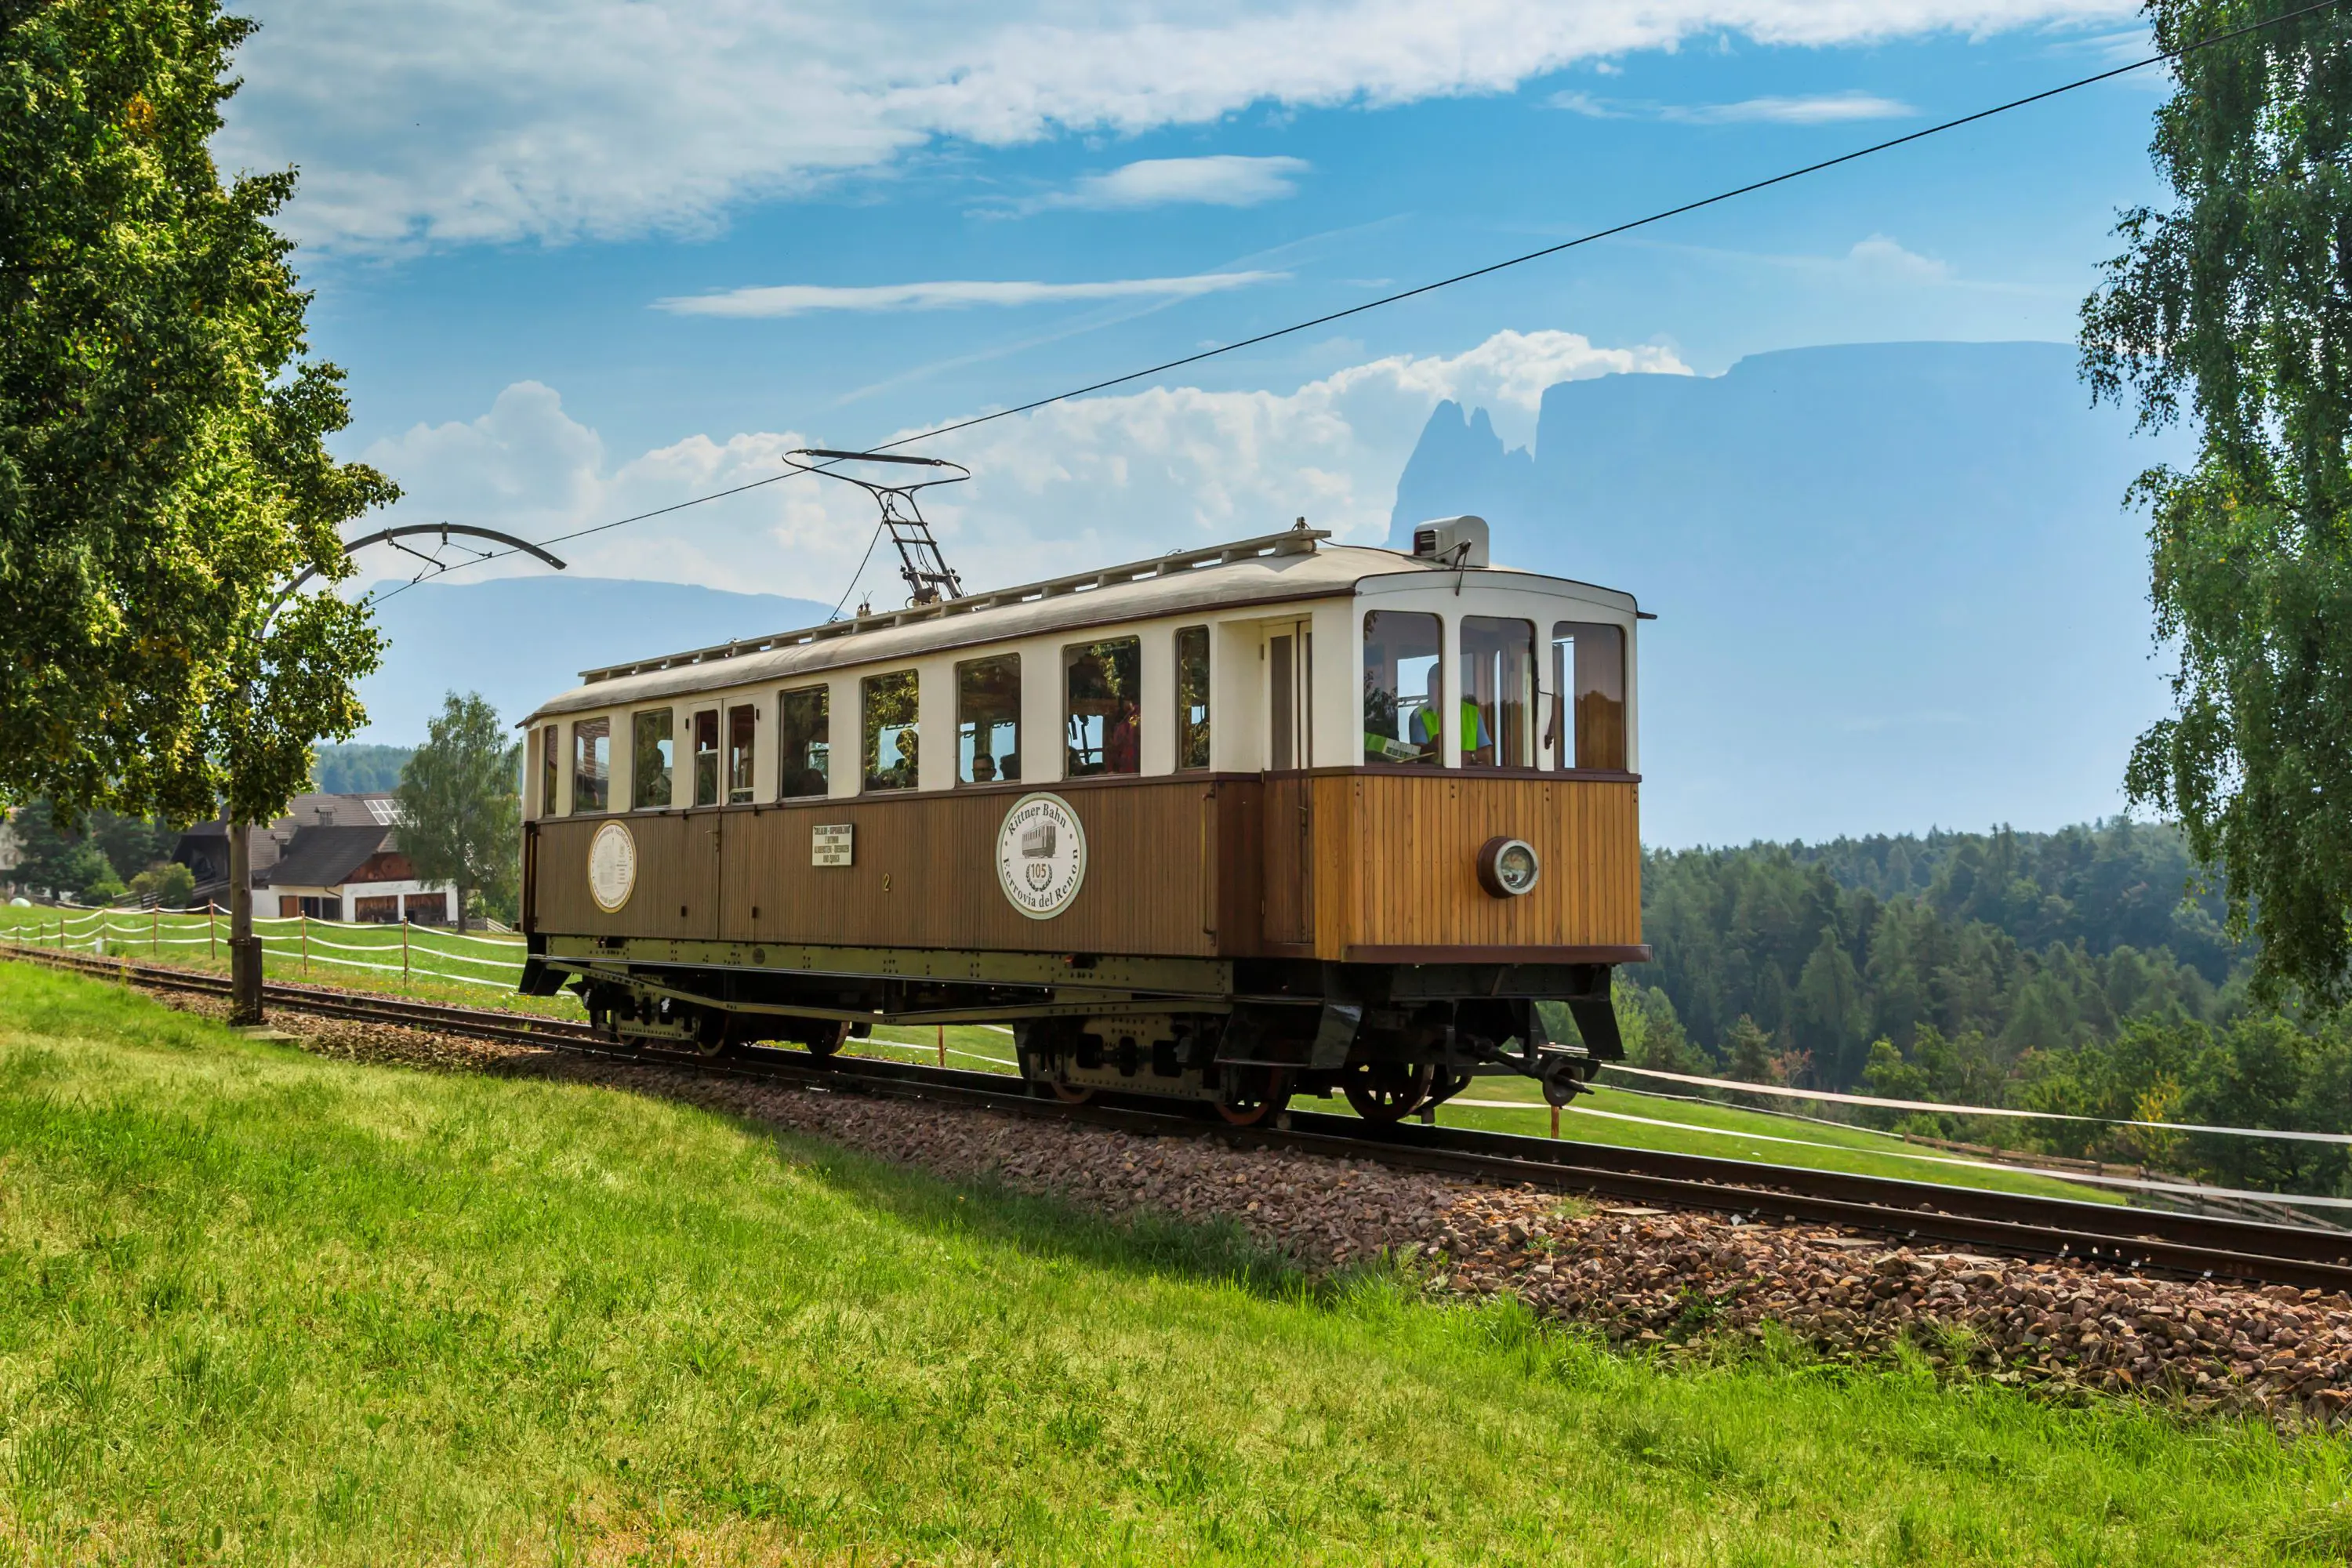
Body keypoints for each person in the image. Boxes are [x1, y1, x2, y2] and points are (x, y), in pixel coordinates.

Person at [1410, 666, 1490, 762]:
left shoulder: (1473, 713)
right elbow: (1417, 755)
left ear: (1449, 687)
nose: (1433, 696)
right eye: (1430, 690)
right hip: (1436, 776)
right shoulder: (1419, 714)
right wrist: (1432, 746)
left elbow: (1487, 754)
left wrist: (1471, 756)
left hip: (1470, 775)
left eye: (1436, 689)